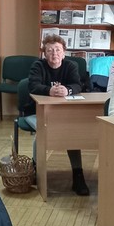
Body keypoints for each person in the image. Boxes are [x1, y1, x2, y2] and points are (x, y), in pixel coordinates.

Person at [26, 33, 90, 196]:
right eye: (50, 50)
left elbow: (78, 85)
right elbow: (33, 86)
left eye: (58, 50)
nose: (54, 53)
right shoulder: (38, 66)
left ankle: (78, 175)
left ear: (63, 52)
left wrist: (67, 90)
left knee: (71, 134)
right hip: (36, 112)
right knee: (42, 131)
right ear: (44, 53)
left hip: (64, 114)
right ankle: (37, 170)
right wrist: (49, 90)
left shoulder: (70, 66)